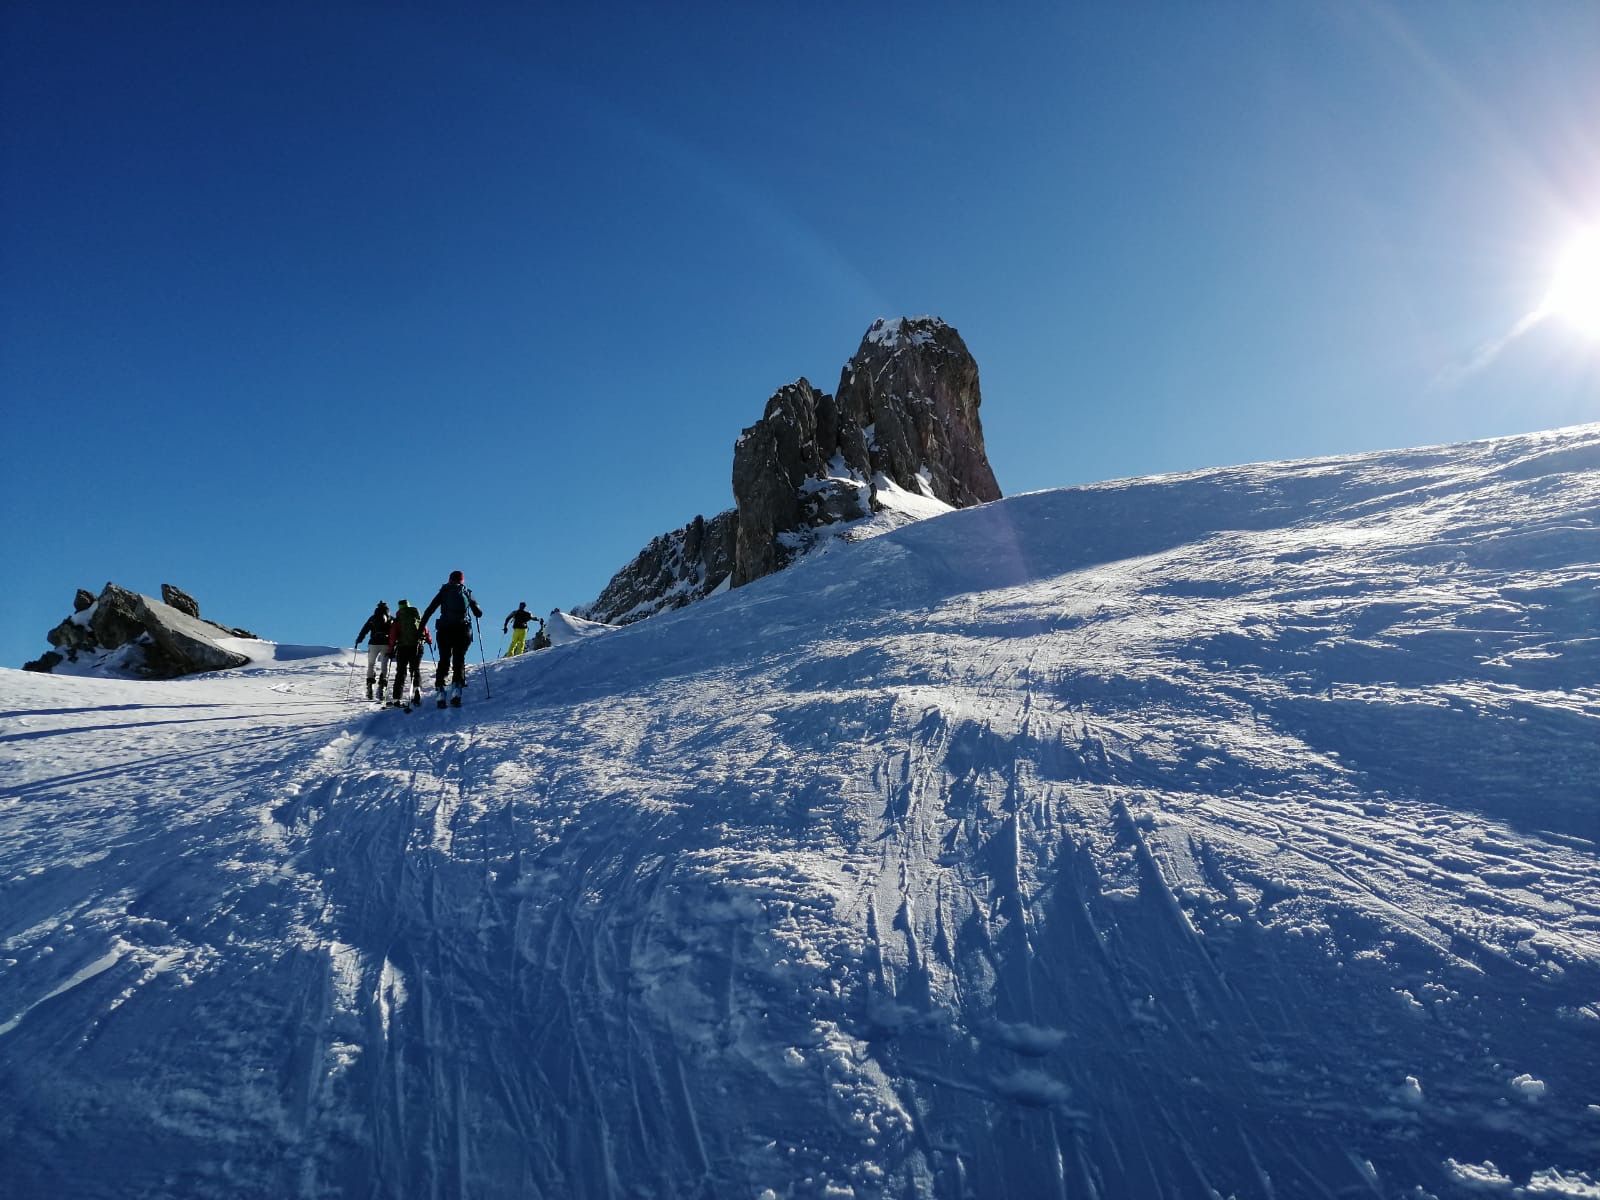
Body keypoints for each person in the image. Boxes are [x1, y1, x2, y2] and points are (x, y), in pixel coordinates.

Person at [420, 569, 483, 706]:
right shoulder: (466, 592)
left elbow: (429, 610)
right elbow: (478, 612)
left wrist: (421, 629)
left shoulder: (444, 591)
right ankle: (456, 692)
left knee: (444, 660)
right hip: (463, 630)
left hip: (445, 630)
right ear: (462, 580)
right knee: (459, 659)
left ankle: (440, 694)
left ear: (449, 579)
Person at [385, 598, 432, 707]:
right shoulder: (416, 615)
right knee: (415, 669)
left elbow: (392, 635)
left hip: (403, 647)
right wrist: (429, 640)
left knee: (401, 672)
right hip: (417, 646)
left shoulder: (398, 619)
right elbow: (425, 629)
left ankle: (397, 698)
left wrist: (390, 649)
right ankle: (416, 690)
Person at [355, 600, 392, 701]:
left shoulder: (372, 618)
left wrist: (359, 639)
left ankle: (370, 685)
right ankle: (382, 686)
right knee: (384, 665)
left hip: (373, 643)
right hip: (385, 644)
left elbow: (365, 629)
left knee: (371, 664)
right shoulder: (390, 618)